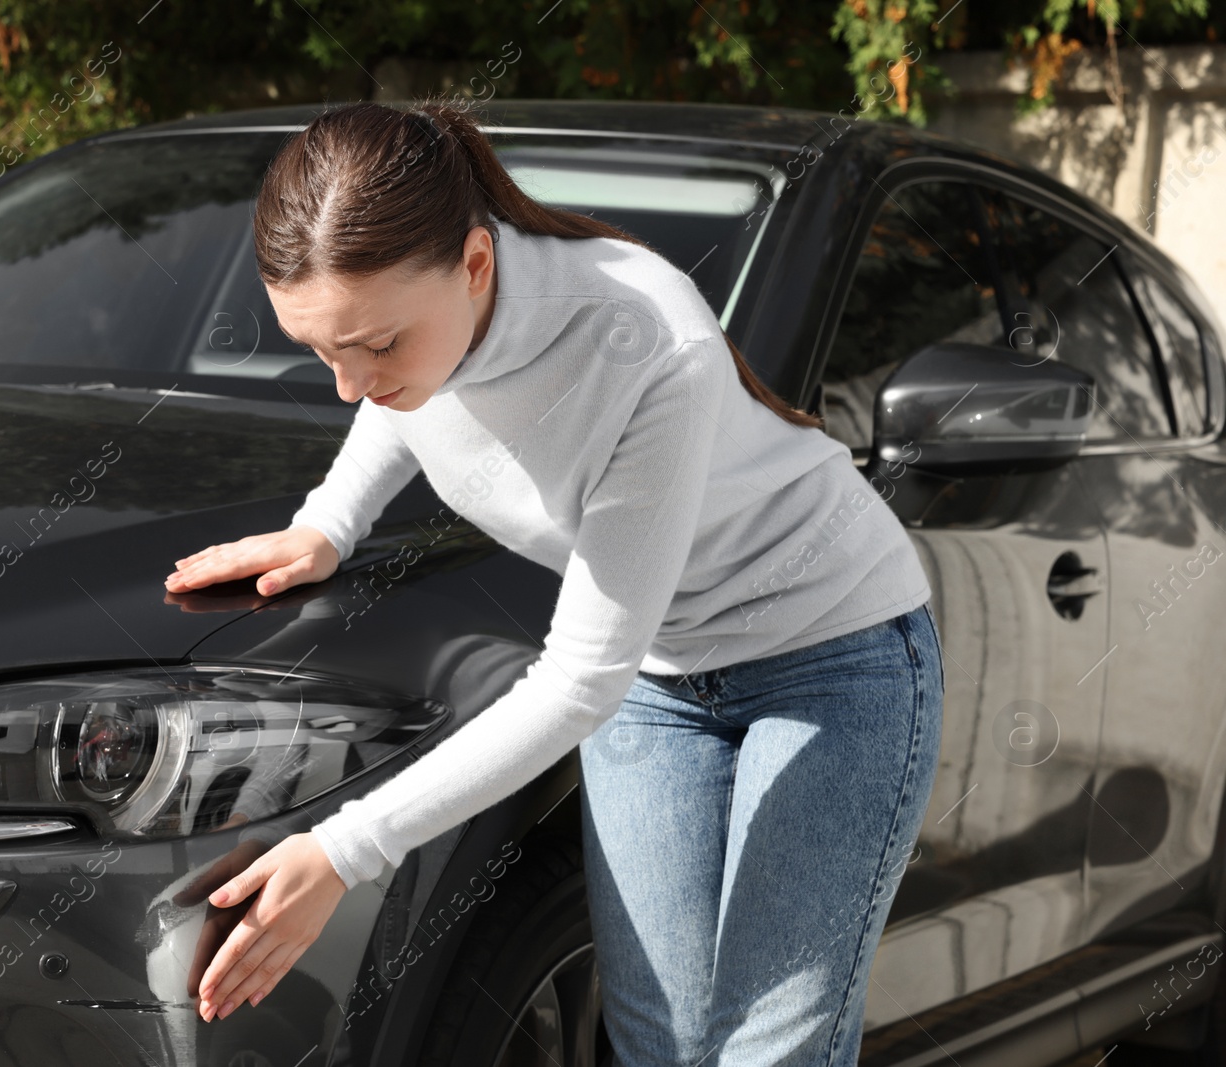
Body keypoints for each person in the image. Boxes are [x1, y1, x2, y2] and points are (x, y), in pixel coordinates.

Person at [163, 97, 943, 1066]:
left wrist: (345, 848)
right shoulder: (424, 330)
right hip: (660, 674)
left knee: (763, 1048)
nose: (349, 384)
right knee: (659, 1038)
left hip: (831, 656)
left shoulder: (645, 342)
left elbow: (577, 681)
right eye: (323, 348)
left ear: (476, 264)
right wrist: (328, 522)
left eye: (375, 345)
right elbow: (405, 398)